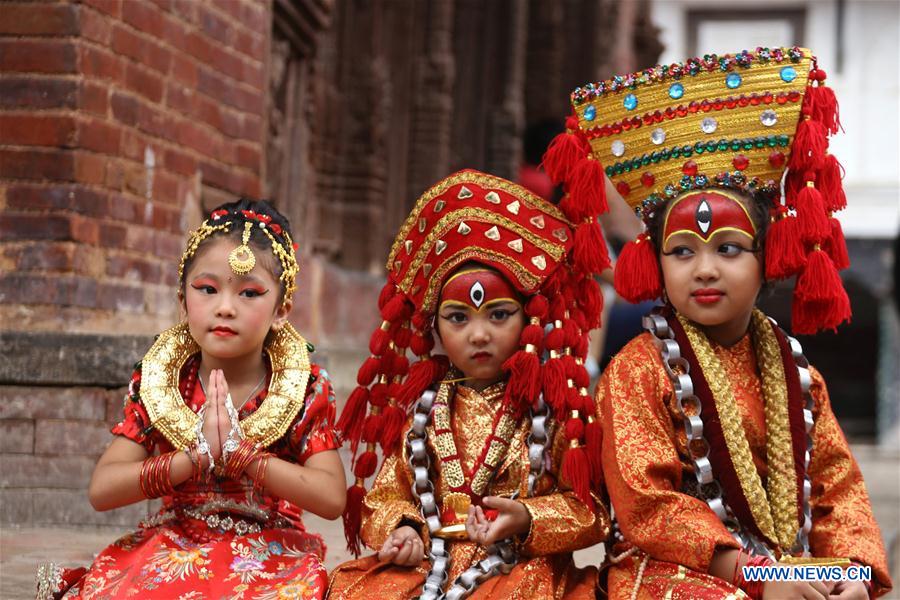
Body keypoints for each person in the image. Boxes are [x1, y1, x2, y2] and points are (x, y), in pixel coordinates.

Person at [545, 46, 894, 598]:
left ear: (768, 257)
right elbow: (648, 506)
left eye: (729, 249)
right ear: (654, 261)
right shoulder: (638, 370)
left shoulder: (797, 371)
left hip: (784, 567)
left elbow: (838, 487)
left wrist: (848, 570)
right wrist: (758, 576)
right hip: (674, 573)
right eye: (682, 252)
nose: (705, 270)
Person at [37, 199, 346, 599]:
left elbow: (332, 498)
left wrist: (244, 458)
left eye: (250, 293)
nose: (225, 307)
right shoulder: (161, 383)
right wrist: (192, 459)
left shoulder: (303, 387)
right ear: (183, 300)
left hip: (270, 546)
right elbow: (103, 489)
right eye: (207, 289)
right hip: (174, 539)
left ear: (281, 310)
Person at [328, 169, 611, 598]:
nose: (479, 335)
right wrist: (405, 529)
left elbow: (592, 513)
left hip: (517, 566)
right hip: (431, 560)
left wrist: (526, 518)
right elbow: (386, 497)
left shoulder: (552, 412)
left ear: (529, 319)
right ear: (435, 328)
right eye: (458, 318)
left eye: (499, 314)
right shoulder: (425, 411)